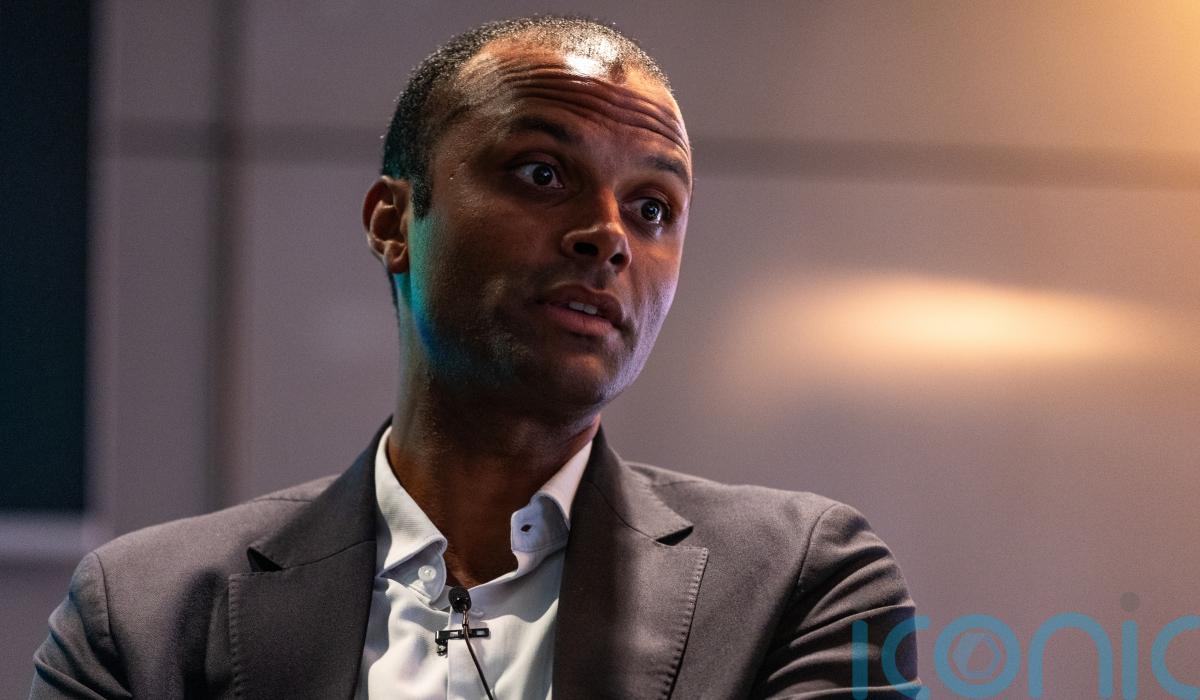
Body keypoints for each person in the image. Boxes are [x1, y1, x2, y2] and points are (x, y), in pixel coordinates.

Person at [32, 15, 920, 699]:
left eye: (652, 207)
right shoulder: (145, 614)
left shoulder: (799, 583)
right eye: (542, 173)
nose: (608, 235)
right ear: (393, 222)